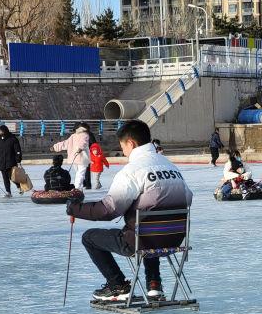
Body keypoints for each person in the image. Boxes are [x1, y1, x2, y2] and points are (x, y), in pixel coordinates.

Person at [66, 120, 193, 301]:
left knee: (90, 238)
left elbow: (109, 210)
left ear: (131, 144)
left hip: (141, 241)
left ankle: (117, 285)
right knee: (148, 226)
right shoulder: (171, 167)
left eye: (123, 147)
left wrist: (76, 209)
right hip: (174, 238)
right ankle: (154, 284)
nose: (124, 152)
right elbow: (188, 198)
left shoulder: (132, 171)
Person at [51, 125, 90, 190]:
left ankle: (80, 189)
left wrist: (55, 147)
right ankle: (77, 188)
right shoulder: (85, 135)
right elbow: (83, 142)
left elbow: (65, 143)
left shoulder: (73, 136)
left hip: (74, 157)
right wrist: (80, 147)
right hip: (82, 157)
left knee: (78, 173)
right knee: (80, 174)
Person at [0, 125, 22, 197]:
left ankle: (19, 186)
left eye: (1, 131)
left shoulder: (13, 139)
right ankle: (8, 192)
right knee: (5, 178)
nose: (0, 133)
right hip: (2, 162)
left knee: (12, 177)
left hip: (11, 161)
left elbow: (17, 150)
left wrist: (18, 159)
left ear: (5, 131)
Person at [79, 122, 97, 190]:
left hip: (87, 153)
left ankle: (87, 184)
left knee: (86, 169)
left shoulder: (89, 134)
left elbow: (94, 144)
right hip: (80, 153)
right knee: (80, 169)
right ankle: (84, 182)